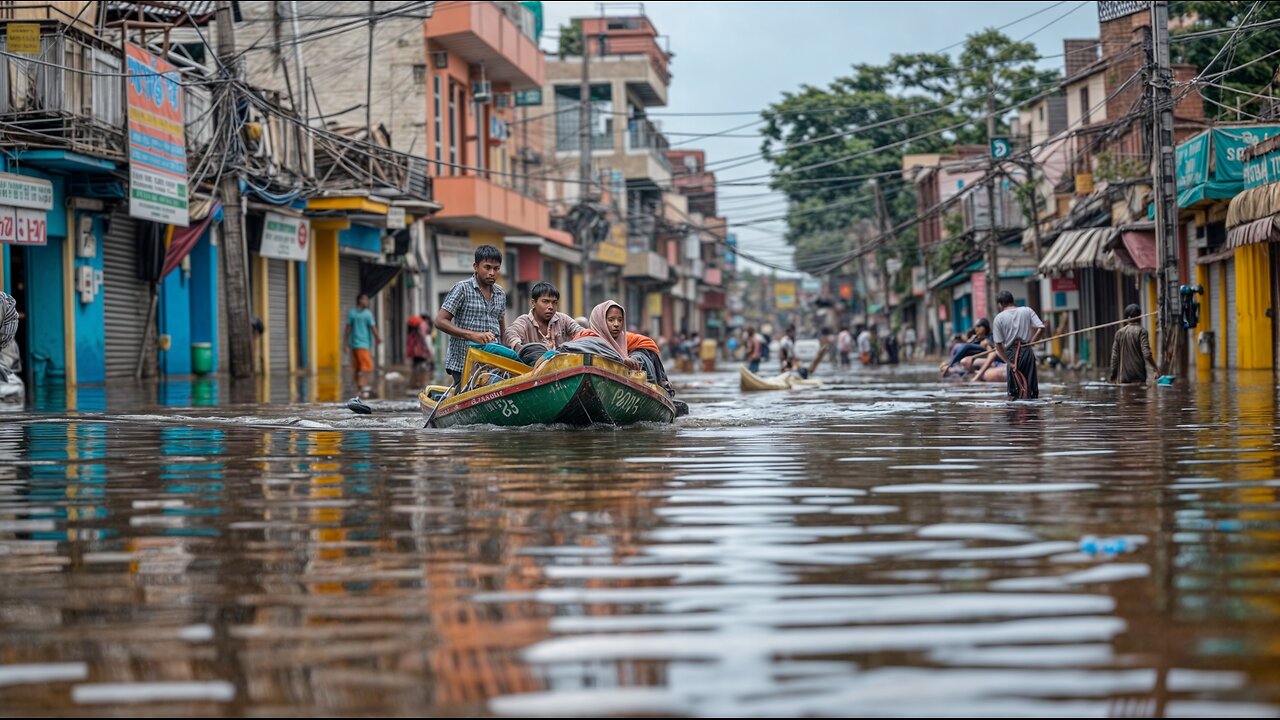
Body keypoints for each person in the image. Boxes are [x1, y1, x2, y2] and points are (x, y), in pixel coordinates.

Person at [435, 245, 507, 389]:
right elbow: (440, 321)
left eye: (496, 268)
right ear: (475, 267)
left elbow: (502, 328)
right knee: (466, 399)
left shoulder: (501, 293)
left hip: (492, 364)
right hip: (463, 361)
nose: (492, 272)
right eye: (487, 267)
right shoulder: (462, 288)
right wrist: (472, 335)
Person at [572, 300, 672, 393]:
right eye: (611, 320)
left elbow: (648, 345)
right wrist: (622, 360)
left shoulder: (626, 339)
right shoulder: (586, 338)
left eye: (620, 320)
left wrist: (634, 359)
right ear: (600, 321)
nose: (616, 324)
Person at [505, 281, 583, 363]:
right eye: (545, 301)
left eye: (554, 302)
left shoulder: (563, 319)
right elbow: (511, 333)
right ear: (533, 303)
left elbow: (579, 330)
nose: (551, 307)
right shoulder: (524, 321)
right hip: (532, 371)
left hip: (562, 368)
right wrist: (520, 347)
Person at [990, 291, 1045, 400]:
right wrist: (1032, 343)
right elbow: (1041, 328)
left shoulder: (999, 318)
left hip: (1011, 353)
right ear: (1012, 301)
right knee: (1031, 389)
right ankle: (1031, 414)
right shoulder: (1027, 310)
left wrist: (1008, 363)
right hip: (1027, 351)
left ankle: (1016, 414)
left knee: (1014, 392)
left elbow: (998, 345)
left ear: (1000, 304)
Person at [1109, 303, 1158, 385]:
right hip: (1139, 378)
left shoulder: (1119, 333)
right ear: (1140, 317)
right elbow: (1147, 354)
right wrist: (1156, 369)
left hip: (1123, 379)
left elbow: (1114, 358)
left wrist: (1113, 377)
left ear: (1128, 318)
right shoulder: (1142, 332)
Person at [343, 293, 381, 389]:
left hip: (358, 344)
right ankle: (361, 385)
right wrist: (345, 343)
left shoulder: (365, 313)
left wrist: (377, 338)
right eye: (365, 300)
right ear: (359, 300)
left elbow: (372, 327)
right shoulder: (360, 313)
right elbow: (348, 328)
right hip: (361, 344)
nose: (367, 302)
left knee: (358, 367)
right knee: (366, 366)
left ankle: (357, 388)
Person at [405, 315, 433, 389]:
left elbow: (409, 346)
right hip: (420, 354)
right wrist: (428, 352)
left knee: (415, 368)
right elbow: (423, 343)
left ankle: (414, 384)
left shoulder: (411, 334)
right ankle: (421, 384)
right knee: (423, 369)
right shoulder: (418, 333)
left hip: (415, 354)